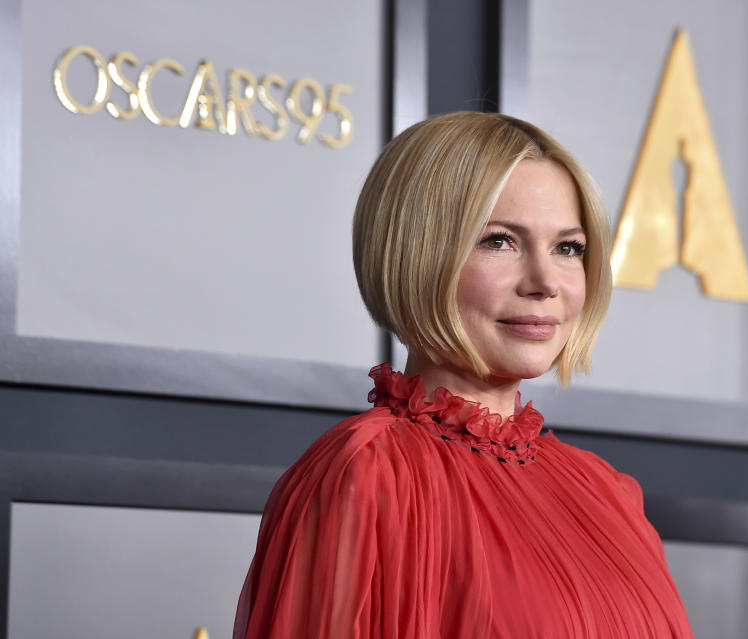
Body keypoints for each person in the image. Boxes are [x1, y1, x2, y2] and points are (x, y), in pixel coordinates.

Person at [233, 112, 693, 638]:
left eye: (568, 248)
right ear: (417, 254)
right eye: (500, 241)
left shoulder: (609, 493)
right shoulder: (367, 478)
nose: (545, 282)